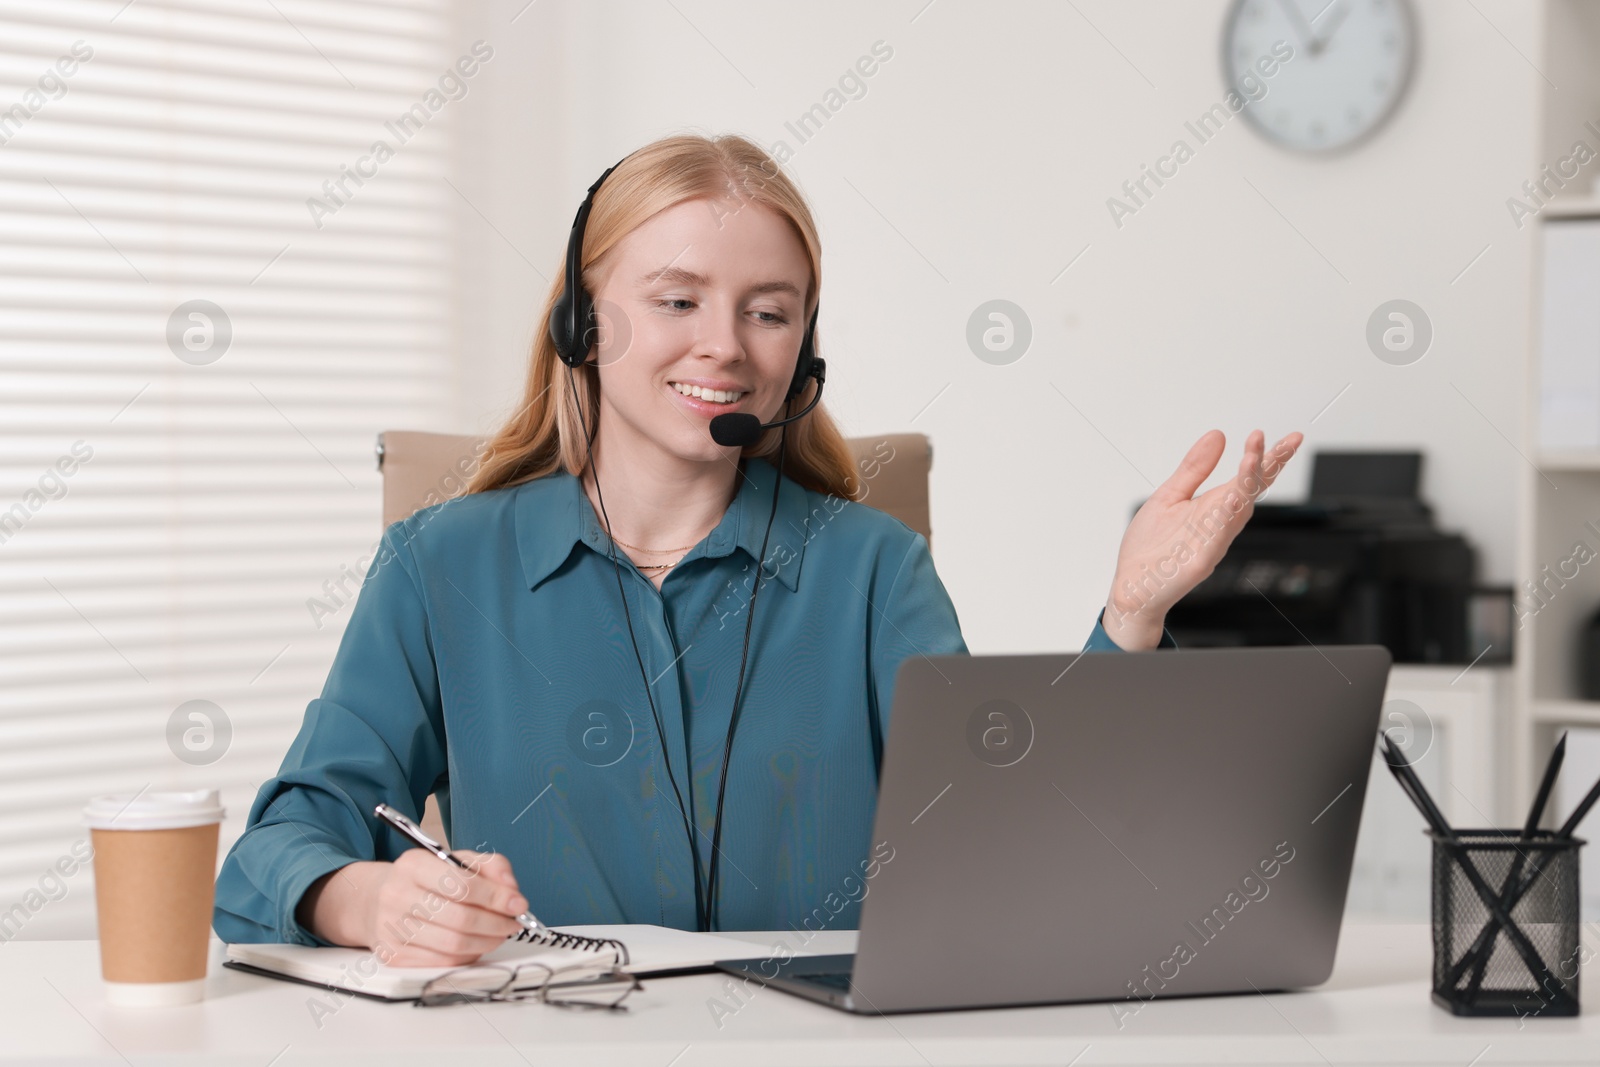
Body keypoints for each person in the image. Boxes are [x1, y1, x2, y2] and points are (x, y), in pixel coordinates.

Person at [212, 133, 1302, 967]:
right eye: (676, 298)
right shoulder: (439, 567)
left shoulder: (871, 572)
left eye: (768, 312)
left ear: (804, 351)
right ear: (582, 325)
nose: (724, 345)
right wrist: (373, 901)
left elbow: (1011, 849)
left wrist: (1129, 615)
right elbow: (273, 850)